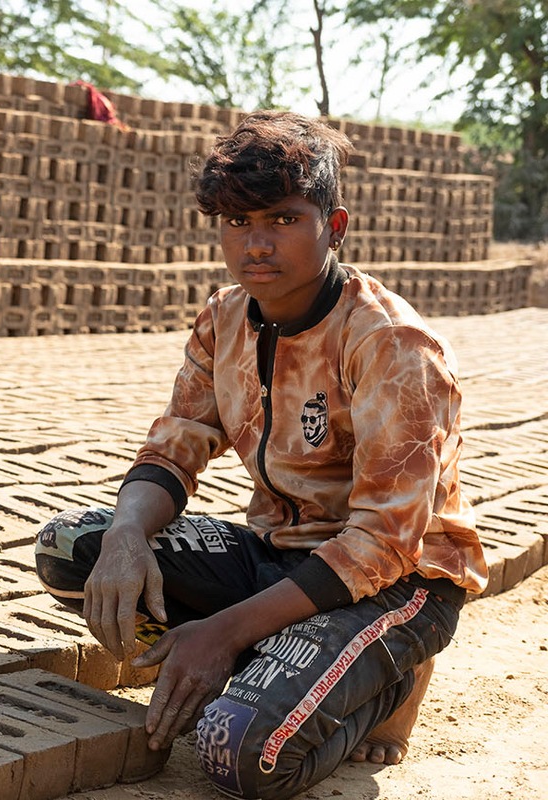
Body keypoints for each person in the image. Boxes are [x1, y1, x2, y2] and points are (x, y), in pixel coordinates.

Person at [33, 110, 487, 800]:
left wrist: (220, 632)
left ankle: (383, 677)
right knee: (74, 548)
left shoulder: (392, 346)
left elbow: (383, 545)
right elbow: (177, 441)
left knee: (236, 749)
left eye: (280, 219)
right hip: (282, 553)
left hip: (400, 582)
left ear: (332, 227)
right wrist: (128, 534)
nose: (257, 244)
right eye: (238, 224)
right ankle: (277, 662)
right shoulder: (224, 317)